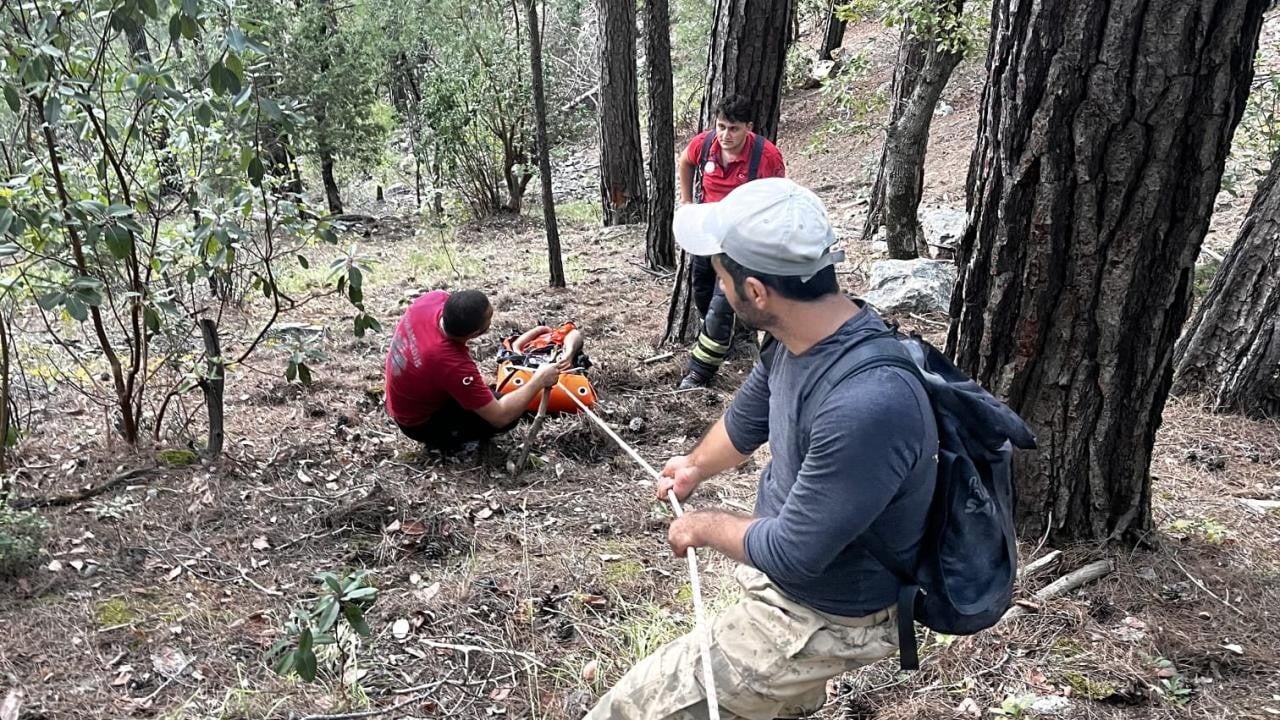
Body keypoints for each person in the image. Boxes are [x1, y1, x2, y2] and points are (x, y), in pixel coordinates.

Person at [585, 178, 939, 720]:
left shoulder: (867, 404)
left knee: (626, 711)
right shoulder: (800, 335)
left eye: (720, 276)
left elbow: (795, 551)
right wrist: (693, 467)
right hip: (793, 577)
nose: (718, 287)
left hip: (821, 613)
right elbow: (749, 417)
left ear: (754, 291)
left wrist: (701, 526)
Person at [675, 94, 786, 390]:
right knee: (701, 289)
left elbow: (779, 196)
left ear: (748, 127)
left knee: (721, 304)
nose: (726, 135)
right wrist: (686, 201)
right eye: (721, 126)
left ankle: (699, 373)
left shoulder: (766, 156)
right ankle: (729, 336)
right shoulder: (704, 144)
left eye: (734, 129)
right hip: (707, 232)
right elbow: (685, 161)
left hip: (742, 240)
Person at [384, 289, 558, 453]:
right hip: (417, 422)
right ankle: (448, 440)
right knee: (509, 419)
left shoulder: (432, 298)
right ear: (476, 333)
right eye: (489, 318)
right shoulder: (452, 364)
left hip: (406, 395)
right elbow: (501, 416)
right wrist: (539, 380)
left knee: (490, 397)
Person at [509, 321, 587, 371]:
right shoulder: (545, 331)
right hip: (530, 357)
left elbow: (575, 335)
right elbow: (516, 344)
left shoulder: (569, 336)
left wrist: (568, 354)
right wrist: (517, 350)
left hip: (556, 358)